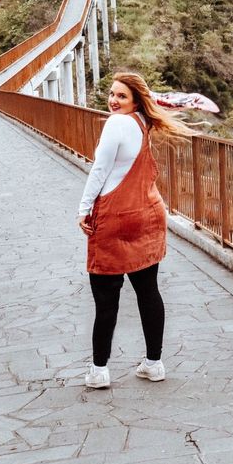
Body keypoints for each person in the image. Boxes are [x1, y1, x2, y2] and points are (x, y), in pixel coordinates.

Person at [77, 71, 191, 388]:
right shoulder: (143, 122)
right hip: (148, 213)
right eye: (112, 94)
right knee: (148, 291)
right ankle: (154, 363)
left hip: (115, 216)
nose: (113, 100)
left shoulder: (116, 124)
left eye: (121, 96)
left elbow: (99, 171)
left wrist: (84, 208)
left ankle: (99, 371)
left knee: (106, 298)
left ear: (136, 100)